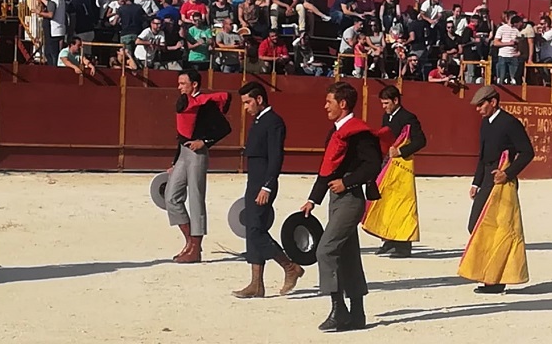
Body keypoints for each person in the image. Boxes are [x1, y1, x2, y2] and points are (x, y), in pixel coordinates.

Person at [299, 82, 388, 331]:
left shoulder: (358, 133)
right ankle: (357, 314)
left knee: (325, 250)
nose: (324, 106)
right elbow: (327, 170)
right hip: (335, 199)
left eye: (329, 101)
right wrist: (312, 200)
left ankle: (339, 310)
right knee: (348, 255)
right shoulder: (335, 132)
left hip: (351, 199)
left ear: (343, 104)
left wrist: (347, 182)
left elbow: (373, 165)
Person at [232, 82, 304, 298]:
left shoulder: (274, 122)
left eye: (248, 102)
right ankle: (256, 284)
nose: (245, 107)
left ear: (259, 99)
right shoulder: (260, 120)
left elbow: (276, 157)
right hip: (254, 181)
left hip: (262, 182)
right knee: (252, 229)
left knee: (255, 230)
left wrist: (267, 186)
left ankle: (290, 267)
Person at [465, 86, 535, 294]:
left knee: (496, 229)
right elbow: (483, 155)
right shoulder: (486, 123)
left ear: (493, 102)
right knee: (476, 225)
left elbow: (527, 152)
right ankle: (491, 275)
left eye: (481, 105)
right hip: (487, 179)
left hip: (502, 182)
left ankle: (494, 280)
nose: (478, 109)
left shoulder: (509, 123)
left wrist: (509, 173)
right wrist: (476, 183)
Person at [165, 70, 232, 263]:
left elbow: (225, 128)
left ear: (194, 85)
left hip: (197, 154)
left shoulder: (205, 103)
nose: (179, 87)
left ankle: (194, 247)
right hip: (183, 154)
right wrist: (174, 161)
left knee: (195, 197)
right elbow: (181, 135)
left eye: (183, 83)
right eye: (179, 83)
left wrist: (204, 141)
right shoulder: (187, 102)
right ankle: (191, 242)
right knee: (171, 197)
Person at [370, 85, 427, 258]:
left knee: (402, 204)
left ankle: (403, 246)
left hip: (402, 169)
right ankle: (389, 239)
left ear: (396, 101)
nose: (384, 106)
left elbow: (421, 141)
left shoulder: (408, 118)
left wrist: (401, 151)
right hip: (388, 166)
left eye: (386, 103)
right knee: (387, 202)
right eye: (382, 103)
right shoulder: (386, 116)